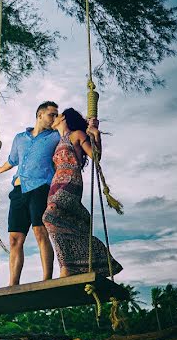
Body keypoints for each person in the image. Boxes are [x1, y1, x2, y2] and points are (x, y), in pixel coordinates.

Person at [43, 107, 122, 277]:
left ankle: (71, 265)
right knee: (57, 224)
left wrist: (95, 134)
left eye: (57, 115)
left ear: (63, 118)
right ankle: (67, 266)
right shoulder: (58, 141)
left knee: (49, 217)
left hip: (71, 181)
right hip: (55, 184)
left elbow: (95, 155)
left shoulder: (77, 134)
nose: (54, 118)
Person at [0, 101, 59, 286]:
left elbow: (74, 133)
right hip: (19, 190)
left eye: (56, 115)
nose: (54, 118)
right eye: (51, 114)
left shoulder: (56, 136)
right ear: (40, 115)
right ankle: (13, 284)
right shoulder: (20, 138)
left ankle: (47, 279)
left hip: (40, 188)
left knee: (40, 232)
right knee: (15, 239)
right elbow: (12, 160)